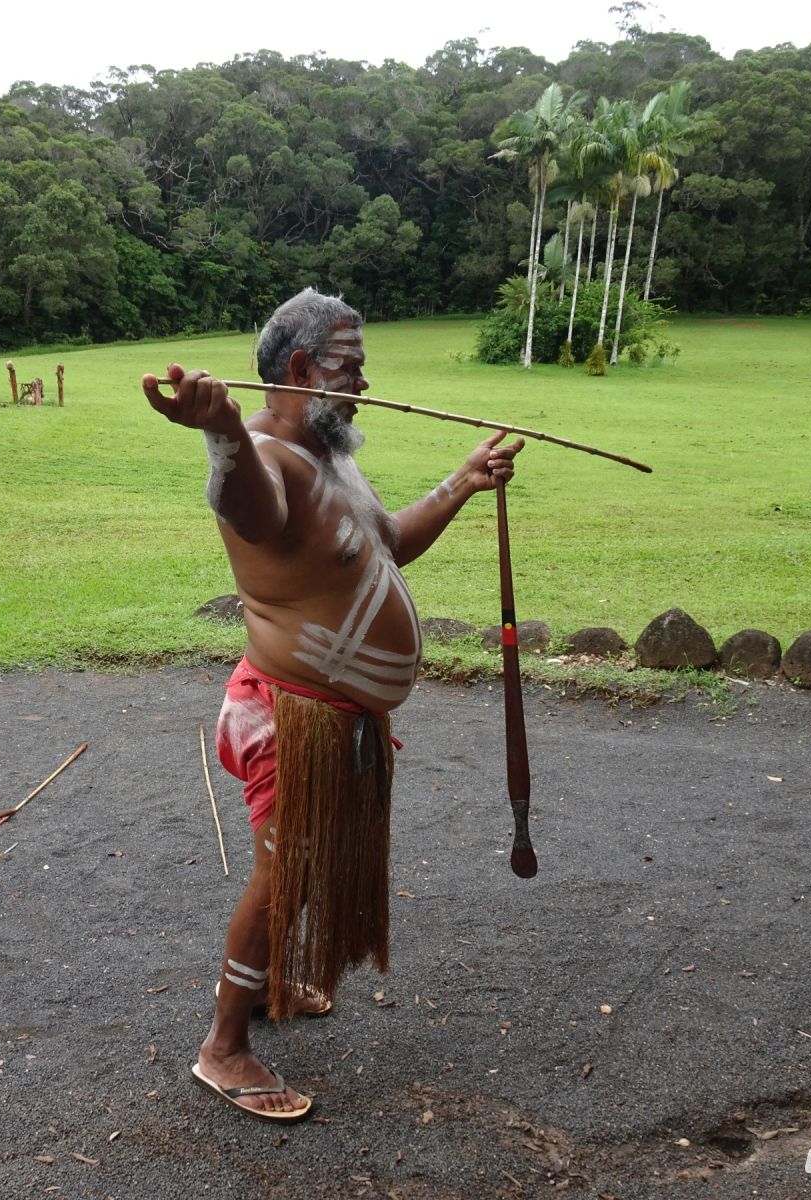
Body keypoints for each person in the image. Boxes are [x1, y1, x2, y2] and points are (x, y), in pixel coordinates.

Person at [141, 289, 524, 1122]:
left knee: (308, 863)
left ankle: (265, 987)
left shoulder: (333, 458)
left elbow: (389, 544)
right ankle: (223, 1050)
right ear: (302, 368)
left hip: (338, 720)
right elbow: (247, 507)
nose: (364, 384)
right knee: (285, 871)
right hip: (287, 715)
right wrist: (220, 430)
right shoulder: (267, 462)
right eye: (351, 368)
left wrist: (462, 482)